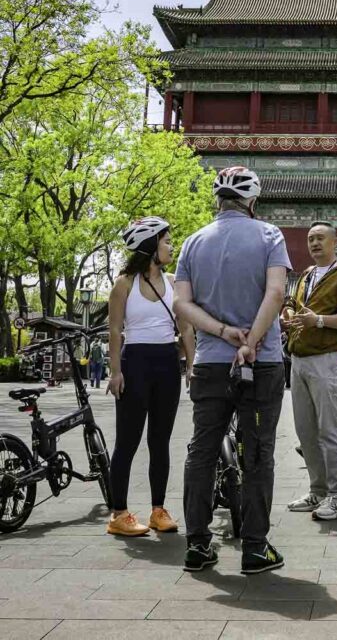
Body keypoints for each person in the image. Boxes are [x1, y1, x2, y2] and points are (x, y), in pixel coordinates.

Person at [175, 166, 290, 575]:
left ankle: (198, 545)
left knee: (201, 451)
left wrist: (223, 332)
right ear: (252, 201)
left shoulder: (191, 243)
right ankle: (255, 549)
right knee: (258, 451)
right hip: (261, 364)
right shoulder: (269, 236)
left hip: (209, 363)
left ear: (217, 200)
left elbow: (182, 306)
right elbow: (276, 292)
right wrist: (251, 341)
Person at [106, 217, 195, 538]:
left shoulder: (174, 282)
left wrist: (191, 365)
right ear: (149, 247)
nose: (171, 245)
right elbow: (115, 331)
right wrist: (115, 372)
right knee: (127, 442)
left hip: (167, 363)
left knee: (160, 441)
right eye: (166, 241)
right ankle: (119, 514)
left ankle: (158, 510)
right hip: (135, 364)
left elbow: (186, 327)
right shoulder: (124, 284)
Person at [285, 221, 337, 521]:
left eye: (320, 238)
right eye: (310, 239)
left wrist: (317, 321)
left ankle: (336, 496)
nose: (314, 243)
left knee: (329, 429)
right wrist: (290, 315)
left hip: (327, 358)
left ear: (335, 242)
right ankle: (317, 490)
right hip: (299, 358)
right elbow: (294, 304)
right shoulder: (306, 274)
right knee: (305, 430)